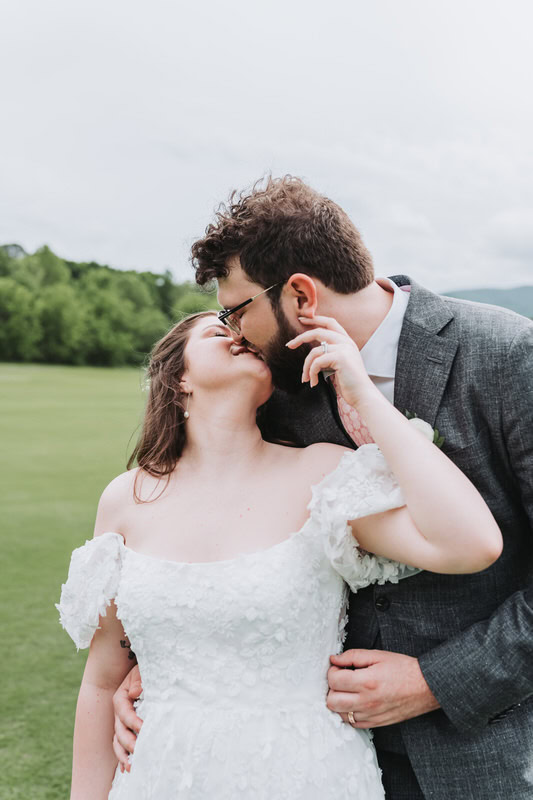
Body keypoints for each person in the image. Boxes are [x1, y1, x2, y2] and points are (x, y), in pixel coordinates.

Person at [112, 176, 533, 799]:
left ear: (301, 294)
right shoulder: (275, 388)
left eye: (237, 310)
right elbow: (230, 527)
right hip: (312, 755)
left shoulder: (506, 355)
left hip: (479, 755)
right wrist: (167, 653)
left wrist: (439, 680)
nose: (234, 331)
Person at [57, 308, 501, 799]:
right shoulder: (125, 500)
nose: (237, 332)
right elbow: (102, 683)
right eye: (216, 329)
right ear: (178, 377)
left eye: (241, 326)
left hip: (305, 772)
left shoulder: (322, 475)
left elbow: (471, 544)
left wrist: (365, 396)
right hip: (159, 773)